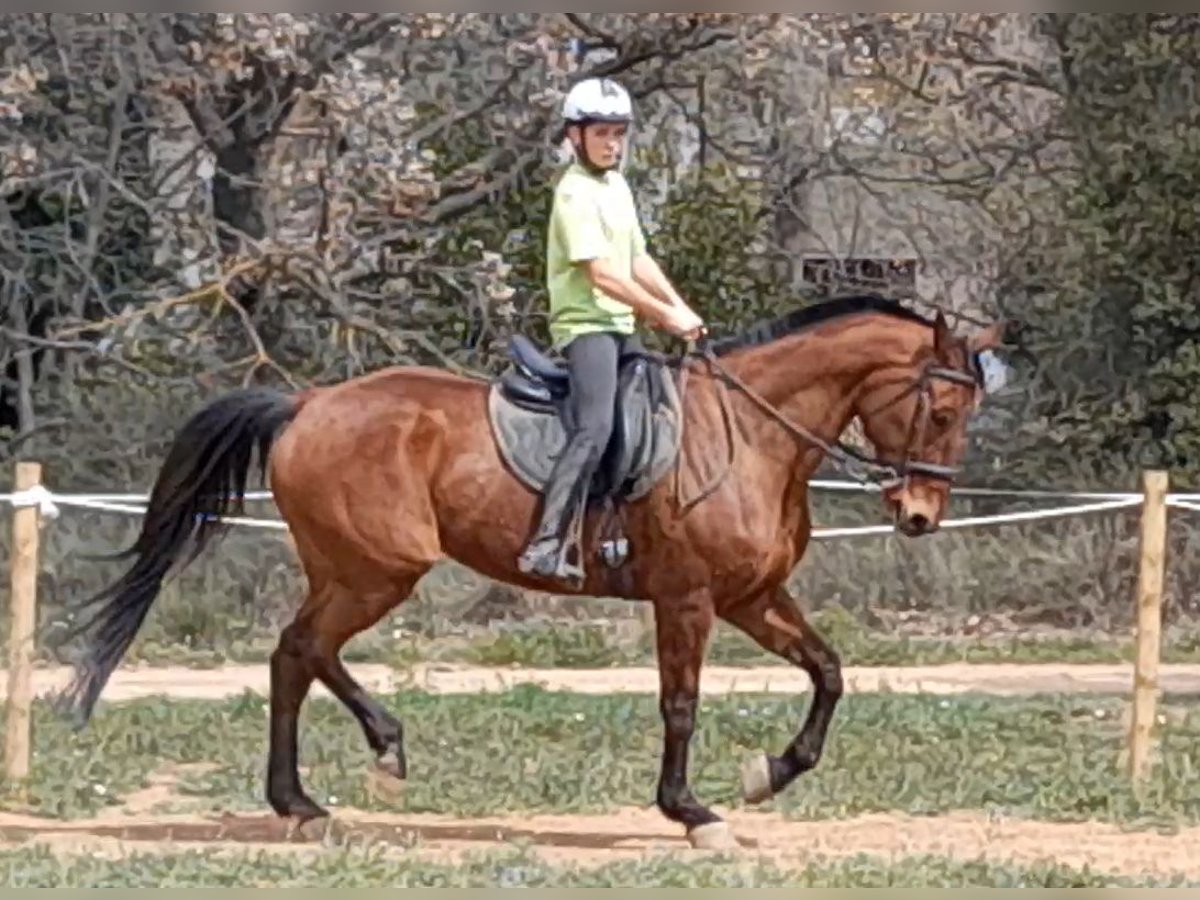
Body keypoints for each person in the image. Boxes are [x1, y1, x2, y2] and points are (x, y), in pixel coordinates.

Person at [516, 75, 706, 584]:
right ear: (575, 136)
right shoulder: (574, 194)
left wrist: (680, 306)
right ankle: (548, 540)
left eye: (619, 133)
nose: (613, 144)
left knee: (652, 415)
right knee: (595, 425)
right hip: (586, 327)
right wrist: (662, 316)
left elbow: (636, 258)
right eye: (602, 133)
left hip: (621, 325)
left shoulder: (616, 186)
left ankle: (627, 526)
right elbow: (601, 272)